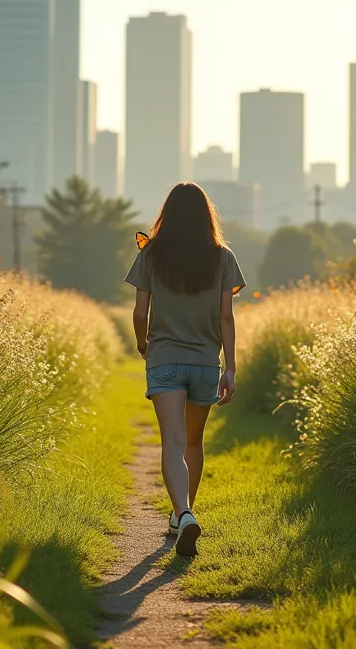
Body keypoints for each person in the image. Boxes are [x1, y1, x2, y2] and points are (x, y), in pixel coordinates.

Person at [125, 182, 244, 558]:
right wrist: (231, 368)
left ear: (167, 215)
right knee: (194, 442)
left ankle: (184, 514)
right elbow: (226, 316)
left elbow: (140, 313)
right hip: (206, 361)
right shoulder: (223, 257)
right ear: (206, 216)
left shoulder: (151, 254)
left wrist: (143, 343)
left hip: (165, 359)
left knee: (173, 443)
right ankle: (182, 517)